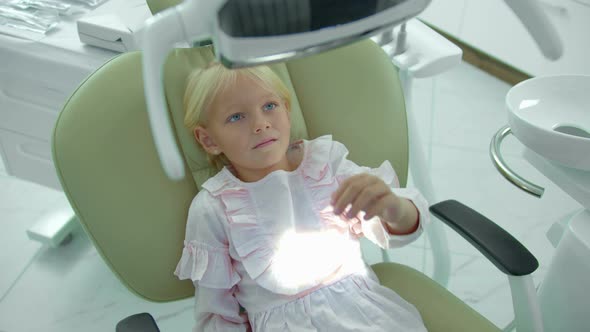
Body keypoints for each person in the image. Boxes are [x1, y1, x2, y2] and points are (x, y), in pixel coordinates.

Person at [175, 61, 429, 331]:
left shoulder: (325, 164)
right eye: (237, 117)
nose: (260, 124)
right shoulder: (213, 208)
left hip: (367, 315)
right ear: (209, 140)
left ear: (287, 111)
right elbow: (215, 316)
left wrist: (393, 208)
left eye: (269, 106)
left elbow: (398, 226)